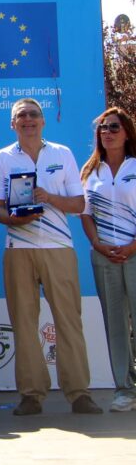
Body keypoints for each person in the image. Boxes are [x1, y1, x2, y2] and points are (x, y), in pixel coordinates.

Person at [0, 98, 102, 415]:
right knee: (23, 323)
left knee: (68, 321)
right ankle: (31, 395)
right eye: (21, 115)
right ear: (13, 124)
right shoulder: (0, 159)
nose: (28, 120)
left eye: (34, 114)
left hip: (58, 247)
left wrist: (49, 198)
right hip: (18, 249)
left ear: (43, 121)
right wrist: (13, 219)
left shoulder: (62, 153)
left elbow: (79, 204)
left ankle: (79, 393)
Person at [79, 107, 136, 412]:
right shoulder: (91, 172)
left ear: (127, 132)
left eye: (114, 127)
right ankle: (124, 390)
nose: (108, 132)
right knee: (115, 325)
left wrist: (133, 246)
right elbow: (85, 215)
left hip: (135, 253)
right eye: (103, 128)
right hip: (105, 257)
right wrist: (97, 244)